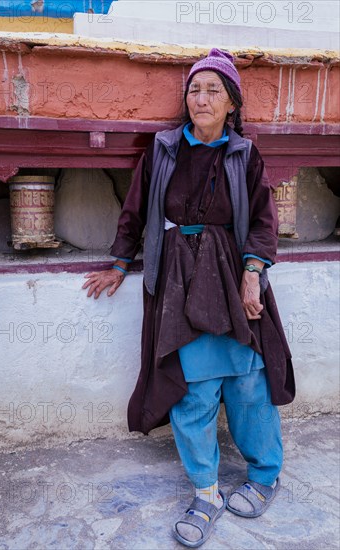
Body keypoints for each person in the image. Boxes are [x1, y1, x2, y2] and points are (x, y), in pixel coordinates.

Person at [82, 48, 295, 548]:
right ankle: (207, 493)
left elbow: (264, 222)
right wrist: (119, 264)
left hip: (231, 273)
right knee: (192, 390)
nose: (200, 98)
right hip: (178, 274)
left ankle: (265, 476)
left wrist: (252, 274)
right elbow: (135, 210)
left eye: (212, 90)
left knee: (248, 383)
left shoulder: (244, 154)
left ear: (231, 104)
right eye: (194, 90)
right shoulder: (162, 150)